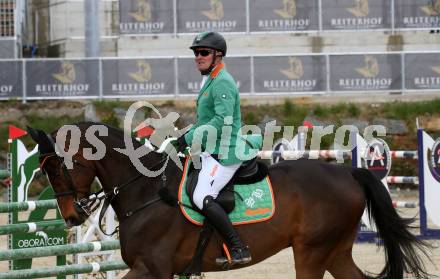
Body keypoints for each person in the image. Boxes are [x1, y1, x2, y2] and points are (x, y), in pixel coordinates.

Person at [175, 31, 251, 266]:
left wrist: (190, 138)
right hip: (211, 149)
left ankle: (238, 247)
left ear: (218, 55)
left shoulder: (223, 82)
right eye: (196, 53)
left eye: (204, 52)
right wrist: (184, 136)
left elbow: (222, 121)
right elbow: (204, 120)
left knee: (200, 196)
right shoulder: (210, 80)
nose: (198, 57)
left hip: (226, 151)